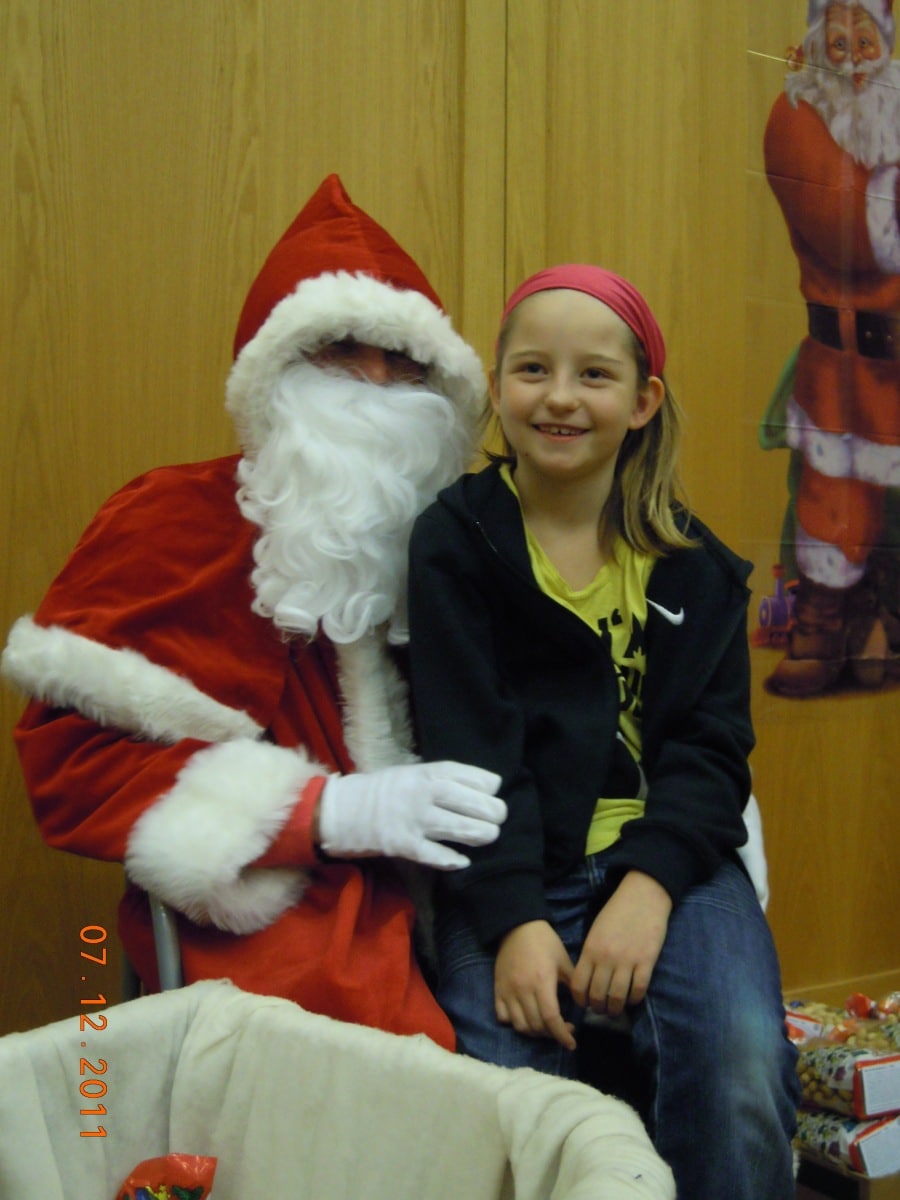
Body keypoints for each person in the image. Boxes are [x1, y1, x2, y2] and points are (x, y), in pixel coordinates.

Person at [1, 173, 507, 1051]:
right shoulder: (172, 520)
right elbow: (74, 765)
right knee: (372, 1062)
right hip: (269, 904)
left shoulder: (454, 537)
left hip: (464, 887)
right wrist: (324, 813)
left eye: (404, 360)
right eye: (343, 350)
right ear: (275, 373)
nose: (377, 381)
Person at [406, 265, 800, 1197]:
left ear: (643, 401)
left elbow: (712, 754)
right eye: (532, 370)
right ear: (496, 386)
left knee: (742, 1059)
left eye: (594, 375)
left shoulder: (695, 566)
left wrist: (648, 890)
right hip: (512, 870)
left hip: (669, 868)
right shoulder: (456, 542)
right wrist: (515, 923)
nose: (560, 397)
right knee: (502, 1101)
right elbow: (469, 751)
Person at [763, 0, 900, 696]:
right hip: (846, 362)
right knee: (834, 494)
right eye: (837, 45)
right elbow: (848, 231)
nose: (851, 61)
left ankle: (879, 618)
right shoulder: (798, 117)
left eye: (864, 43)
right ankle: (823, 621)